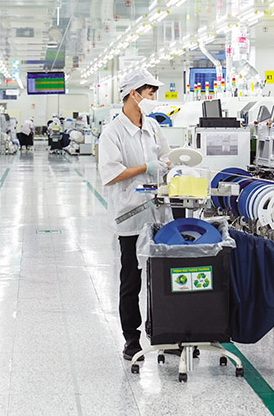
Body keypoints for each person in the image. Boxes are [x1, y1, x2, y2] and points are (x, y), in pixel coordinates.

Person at [98, 68, 171, 361]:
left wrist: (167, 165)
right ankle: (131, 338)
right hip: (130, 215)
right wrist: (145, 168)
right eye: (150, 93)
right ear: (134, 94)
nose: (154, 98)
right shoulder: (112, 132)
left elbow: (166, 156)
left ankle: (163, 330)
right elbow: (111, 173)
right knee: (131, 279)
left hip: (157, 212)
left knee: (161, 276)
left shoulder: (153, 126)